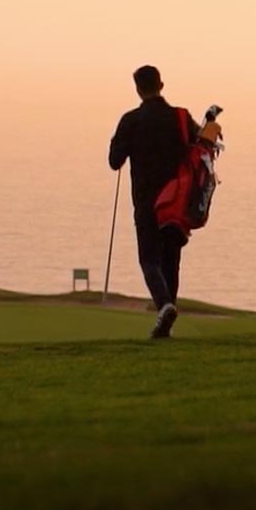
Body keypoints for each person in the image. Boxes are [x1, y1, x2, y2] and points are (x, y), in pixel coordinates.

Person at [108, 65, 200, 339]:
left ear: (138, 89)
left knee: (149, 260)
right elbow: (199, 147)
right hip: (177, 200)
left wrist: (120, 141)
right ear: (162, 84)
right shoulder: (181, 118)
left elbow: (114, 161)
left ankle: (165, 306)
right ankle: (166, 321)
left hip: (147, 202)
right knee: (171, 260)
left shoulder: (131, 120)